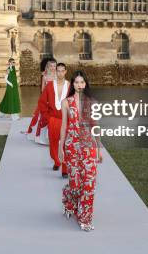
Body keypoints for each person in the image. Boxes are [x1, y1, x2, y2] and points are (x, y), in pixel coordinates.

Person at [58, 70, 102, 232]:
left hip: (88, 145)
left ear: (86, 84)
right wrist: (60, 147)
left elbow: (95, 125)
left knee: (89, 182)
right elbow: (63, 125)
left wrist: (99, 148)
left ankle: (85, 218)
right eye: (76, 82)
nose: (79, 85)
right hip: (71, 146)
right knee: (75, 184)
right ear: (73, 84)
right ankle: (69, 202)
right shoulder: (66, 102)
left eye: (82, 82)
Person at [38, 62, 69, 176]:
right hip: (53, 119)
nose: (60, 73)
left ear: (65, 72)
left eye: (62, 71)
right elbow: (42, 102)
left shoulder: (70, 86)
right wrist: (47, 117)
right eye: (58, 71)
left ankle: (65, 168)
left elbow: (75, 104)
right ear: (55, 72)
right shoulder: (50, 86)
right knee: (53, 143)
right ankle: (57, 161)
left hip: (66, 120)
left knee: (66, 143)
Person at [24, 57, 56, 143]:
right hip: (47, 99)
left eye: (54, 66)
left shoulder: (57, 76)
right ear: (48, 67)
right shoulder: (45, 77)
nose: (53, 68)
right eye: (51, 66)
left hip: (56, 99)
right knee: (42, 116)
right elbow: (42, 90)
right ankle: (40, 135)